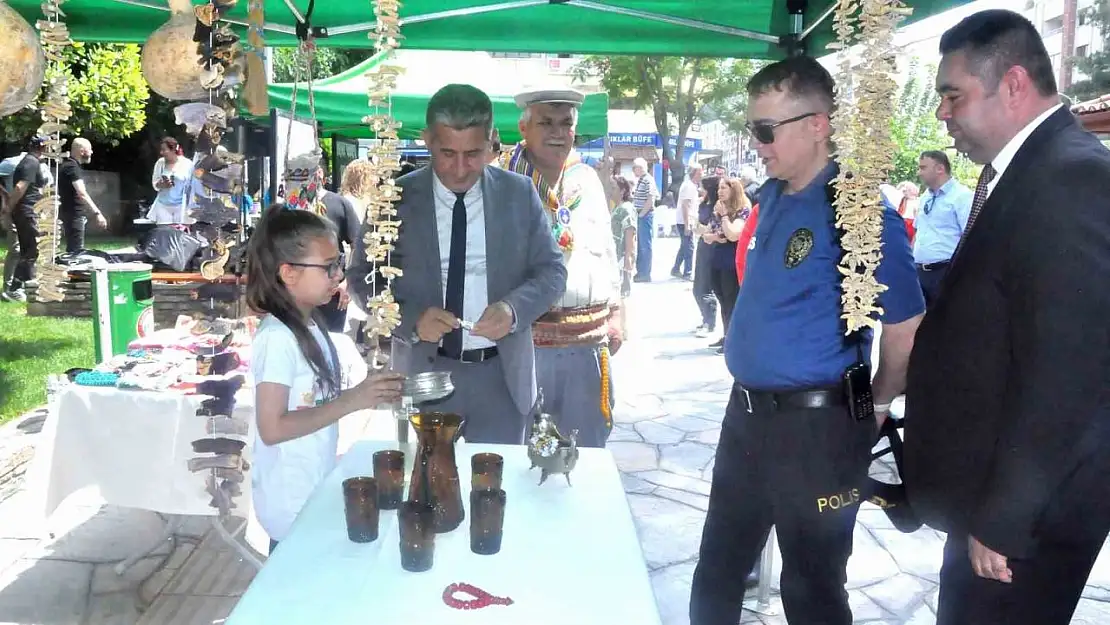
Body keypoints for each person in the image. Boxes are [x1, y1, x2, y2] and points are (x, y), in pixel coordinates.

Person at [690, 56, 924, 625]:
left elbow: (906, 330)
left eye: (766, 130)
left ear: (817, 123)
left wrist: (876, 405)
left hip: (817, 431)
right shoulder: (770, 197)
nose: (758, 144)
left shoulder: (857, 211)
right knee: (717, 573)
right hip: (745, 418)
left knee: (813, 590)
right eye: (753, 129)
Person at [903, 11, 1110, 625]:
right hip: (993, 497)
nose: (942, 113)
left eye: (953, 95)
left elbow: (1069, 374)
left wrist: (1006, 518)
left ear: (1014, 84)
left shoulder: (1073, 176)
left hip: (1029, 521)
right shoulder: (1027, 171)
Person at [350, 84, 567, 445]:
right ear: (426, 140)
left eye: (474, 153)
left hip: (502, 375)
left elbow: (553, 272)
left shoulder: (520, 194)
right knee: (427, 491)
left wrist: (513, 310)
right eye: (447, 153)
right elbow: (362, 277)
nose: (461, 169)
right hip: (424, 374)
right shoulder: (395, 201)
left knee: (497, 490)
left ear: (491, 142)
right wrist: (411, 317)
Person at [246, 206, 404, 553]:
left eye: (339, 264)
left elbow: (314, 401)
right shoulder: (277, 338)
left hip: (312, 490)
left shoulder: (312, 324)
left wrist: (370, 393)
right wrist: (352, 400)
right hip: (290, 503)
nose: (338, 275)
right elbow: (272, 428)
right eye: (329, 266)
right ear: (288, 273)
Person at [503, 86, 623, 448]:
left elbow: (606, 247)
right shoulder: (504, 184)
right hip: (527, 344)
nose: (558, 132)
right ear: (524, 128)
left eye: (566, 123)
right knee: (526, 452)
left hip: (588, 343)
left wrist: (618, 311)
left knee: (586, 451)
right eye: (546, 122)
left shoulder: (587, 179)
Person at [912, 150, 972, 307]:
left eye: (923, 168)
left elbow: (971, 236)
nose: (919, 173)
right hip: (919, 272)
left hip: (945, 271)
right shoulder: (926, 196)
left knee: (944, 324)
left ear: (940, 168)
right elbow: (918, 231)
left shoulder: (962, 196)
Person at [702, 178, 748, 354]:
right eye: (719, 188)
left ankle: (733, 339)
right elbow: (707, 234)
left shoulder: (742, 210)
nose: (720, 191)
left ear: (733, 190)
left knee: (731, 301)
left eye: (724, 188)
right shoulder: (719, 209)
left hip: (732, 261)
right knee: (722, 300)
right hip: (717, 258)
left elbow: (733, 234)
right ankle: (726, 335)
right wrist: (715, 237)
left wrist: (724, 217)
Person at [2, 136, 50, 302]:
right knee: (31, 250)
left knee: (28, 250)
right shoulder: (31, 162)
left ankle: (27, 286)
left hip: (26, 211)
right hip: (27, 212)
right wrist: (8, 208)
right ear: (43, 147)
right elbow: (20, 187)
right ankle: (15, 289)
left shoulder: (31, 161)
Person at [57, 138, 108, 253]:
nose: (92, 152)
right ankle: (72, 271)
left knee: (73, 249)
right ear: (81, 151)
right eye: (89, 149)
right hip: (73, 214)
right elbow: (82, 193)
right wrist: (97, 213)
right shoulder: (72, 167)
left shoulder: (71, 166)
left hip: (72, 214)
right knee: (76, 252)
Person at [691, 176, 721, 338]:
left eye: (702, 187)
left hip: (712, 247)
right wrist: (701, 229)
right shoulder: (703, 204)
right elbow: (698, 227)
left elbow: (710, 228)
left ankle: (710, 321)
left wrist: (702, 229)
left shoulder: (717, 206)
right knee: (697, 286)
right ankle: (705, 318)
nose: (699, 189)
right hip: (702, 245)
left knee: (705, 286)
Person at [149, 137, 193, 224]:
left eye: (164, 150)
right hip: (163, 205)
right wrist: (162, 184)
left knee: (179, 234)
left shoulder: (188, 164)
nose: (161, 153)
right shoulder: (160, 163)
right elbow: (155, 184)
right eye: (161, 150)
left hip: (181, 206)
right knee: (164, 234)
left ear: (173, 150)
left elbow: (192, 186)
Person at [631, 157, 658, 282]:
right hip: (641, 214)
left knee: (645, 245)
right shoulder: (642, 180)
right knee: (641, 244)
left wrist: (641, 214)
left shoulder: (648, 180)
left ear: (640, 168)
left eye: (634, 167)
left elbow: (651, 199)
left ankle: (645, 273)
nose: (633, 170)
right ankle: (641, 271)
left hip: (645, 215)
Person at [609, 176, 637, 298]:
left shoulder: (626, 208)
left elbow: (630, 232)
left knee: (622, 293)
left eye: (614, 188)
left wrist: (628, 257)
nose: (611, 191)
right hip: (615, 255)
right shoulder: (617, 207)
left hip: (622, 257)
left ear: (622, 191)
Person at [672, 164, 700, 279]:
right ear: (694, 173)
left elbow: (691, 203)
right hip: (685, 221)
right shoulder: (689, 186)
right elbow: (685, 206)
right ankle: (687, 273)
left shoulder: (690, 186)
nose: (701, 175)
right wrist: (687, 224)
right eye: (700, 173)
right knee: (689, 247)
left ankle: (676, 269)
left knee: (685, 246)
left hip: (685, 220)